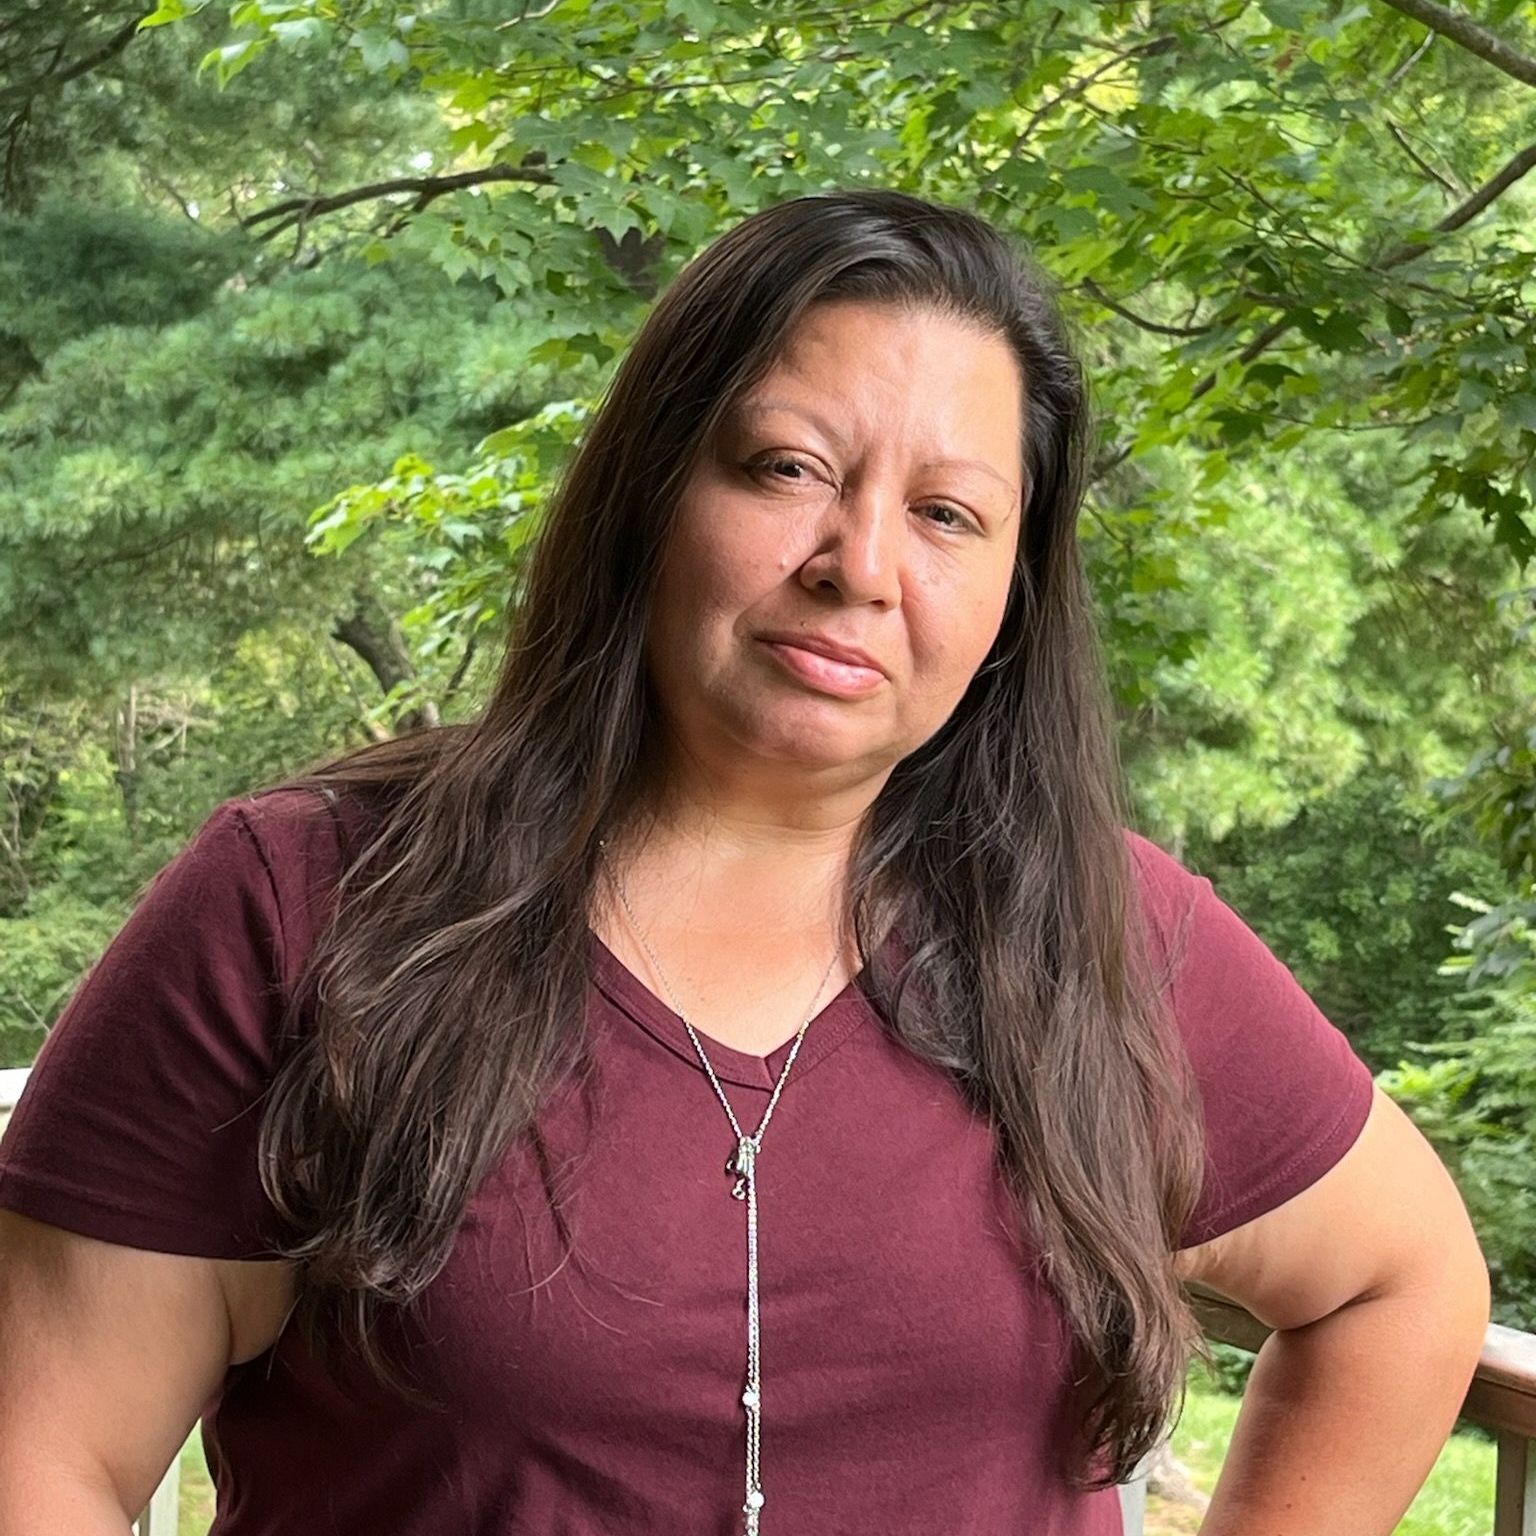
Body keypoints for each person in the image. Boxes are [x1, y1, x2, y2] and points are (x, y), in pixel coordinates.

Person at [0, 188, 1489, 1536]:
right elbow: (43, 1453)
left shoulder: (1107, 937)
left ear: (1013, 601)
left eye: (949, 514)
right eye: (787, 467)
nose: (860, 563)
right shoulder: (303, 908)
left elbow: (1400, 1283)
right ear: (652, 487)